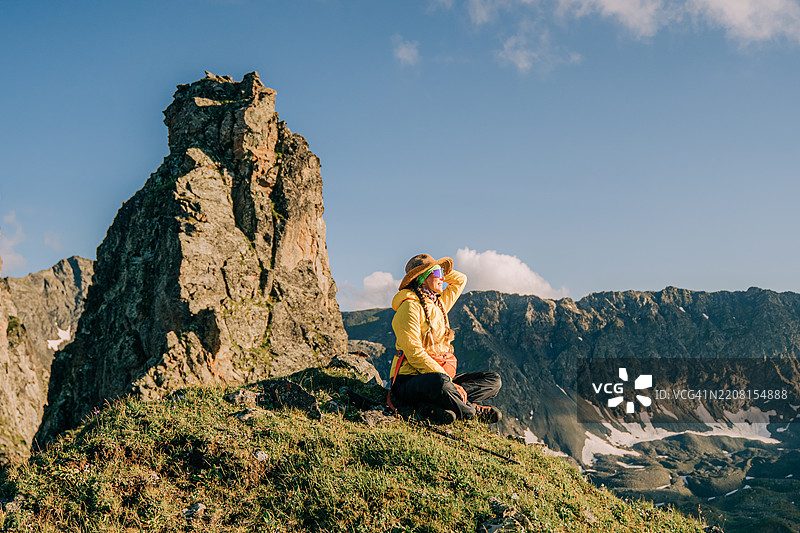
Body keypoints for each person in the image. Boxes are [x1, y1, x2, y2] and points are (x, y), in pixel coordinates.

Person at [389, 253, 502, 424]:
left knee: (493, 380)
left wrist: (439, 270)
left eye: (442, 273)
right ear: (421, 279)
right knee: (441, 383)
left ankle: (439, 405)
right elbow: (414, 354)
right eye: (437, 273)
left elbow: (460, 280)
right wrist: (448, 381)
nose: (442, 278)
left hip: (440, 377)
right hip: (408, 381)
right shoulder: (409, 308)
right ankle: (471, 411)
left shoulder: (438, 304)